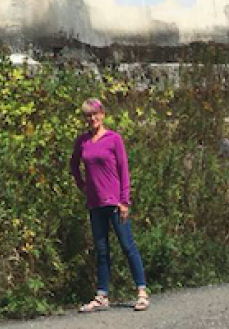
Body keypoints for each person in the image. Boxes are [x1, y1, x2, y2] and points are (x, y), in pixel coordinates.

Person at [69, 97, 149, 312]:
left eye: (95, 114)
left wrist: (125, 200)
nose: (92, 118)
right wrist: (82, 185)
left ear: (103, 114)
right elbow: (74, 164)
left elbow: (124, 170)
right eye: (88, 115)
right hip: (95, 204)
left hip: (114, 202)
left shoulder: (114, 139)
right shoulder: (83, 141)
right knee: (102, 250)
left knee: (127, 245)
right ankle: (102, 295)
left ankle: (141, 291)